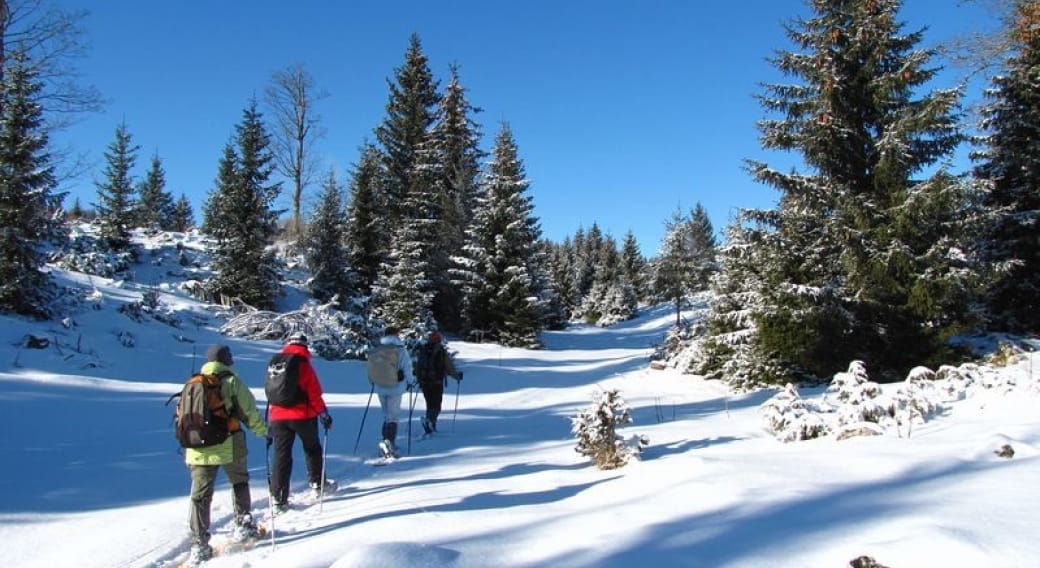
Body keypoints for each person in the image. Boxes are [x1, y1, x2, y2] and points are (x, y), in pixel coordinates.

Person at [185, 344, 268, 564]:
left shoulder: (194, 382)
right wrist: (263, 432)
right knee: (239, 482)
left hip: (197, 448)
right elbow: (248, 411)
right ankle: (244, 524)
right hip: (228, 443)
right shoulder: (231, 382)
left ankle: (199, 545)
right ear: (225, 359)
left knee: (200, 496)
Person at [267, 332, 336, 512]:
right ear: (305, 346)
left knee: (281, 455)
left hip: (277, 416)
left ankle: (278, 498)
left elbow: (271, 392)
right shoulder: (303, 364)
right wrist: (323, 414)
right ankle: (317, 483)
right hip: (302, 415)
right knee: (312, 449)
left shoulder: (276, 363)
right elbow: (314, 393)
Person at [369, 326, 413, 458]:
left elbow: (371, 368)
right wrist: (410, 381)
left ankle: (386, 441)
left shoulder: (377, 349)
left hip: (380, 386)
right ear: (396, 335)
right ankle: (389, 444)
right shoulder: (400, 350)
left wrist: (373, 382)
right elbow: (407, 367)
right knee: (393, 416)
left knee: (386, 415)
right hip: (396, 386)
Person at [415, 331, 463, 435]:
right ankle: (431, 422)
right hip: (436, 382)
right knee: (436, 404)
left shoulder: (423, 350)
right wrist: (457, 376)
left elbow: (418, 366)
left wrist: (419, 380)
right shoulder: (440, 351)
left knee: (430, 403)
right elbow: (449, 366)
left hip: (425, 382)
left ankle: (429, 421)